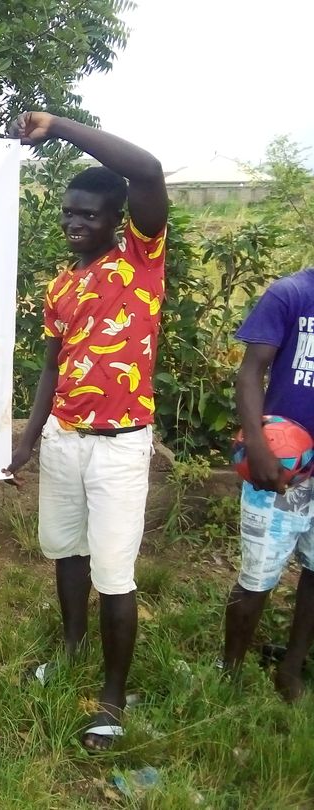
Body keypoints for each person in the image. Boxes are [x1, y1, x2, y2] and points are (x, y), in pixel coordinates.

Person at [3, 112, 168, 751]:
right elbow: (52, 366)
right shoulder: (62, 286)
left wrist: (59, 127)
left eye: (89, 214)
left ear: (117, 219)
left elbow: (147, 170)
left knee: (114, 573)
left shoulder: (142, 258)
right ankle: (71, 649)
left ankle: (112, 699)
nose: (75, 223)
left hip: (119, 446)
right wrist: (28, 441)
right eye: (69, 213)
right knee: (66, 554)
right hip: (64, 442)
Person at [220, 267, 314, 701]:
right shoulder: (289, 294)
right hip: (279, 469)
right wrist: (256, 444)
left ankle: (292, 667)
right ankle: (229, 670)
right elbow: (250, 371)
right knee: (257, 576)